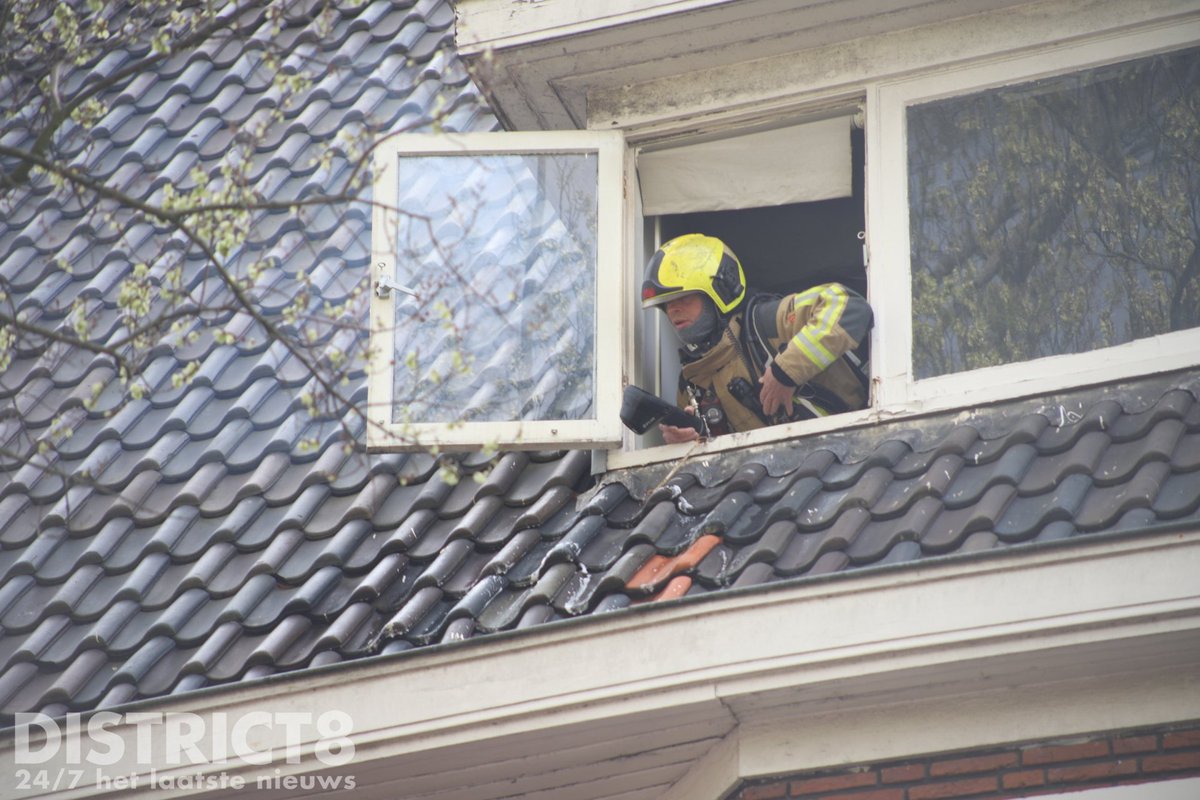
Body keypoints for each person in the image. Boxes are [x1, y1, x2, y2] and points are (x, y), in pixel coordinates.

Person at [641, 233, 872, 444]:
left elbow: (848, 306)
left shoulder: (771, 321)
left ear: (719, 292)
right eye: (667, 304)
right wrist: (687, 442)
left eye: (684, 299)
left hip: (853, 449)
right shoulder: (692, 385)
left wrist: (785, 372)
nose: (673, 310)